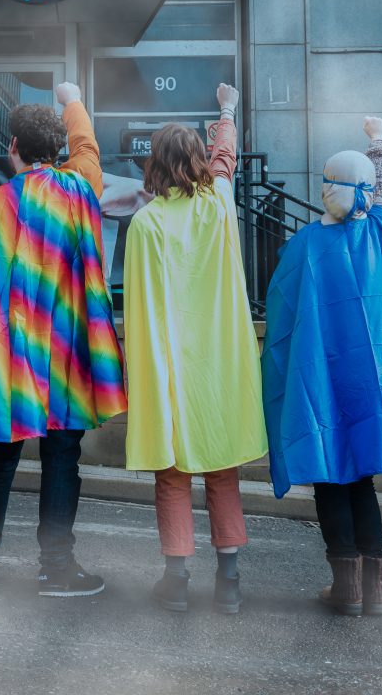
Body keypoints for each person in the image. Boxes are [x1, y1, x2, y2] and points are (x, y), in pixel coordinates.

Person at [0, 82, 126, 597]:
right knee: (63, 455)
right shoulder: (80, 188)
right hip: (65, 352)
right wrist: (72, 100)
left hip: (6, 355)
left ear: (12, 147)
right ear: (57, 150)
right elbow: (86, 148)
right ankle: (57, 568)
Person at [260, 116, 382, 617]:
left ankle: (347, 585)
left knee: (330, 474)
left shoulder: (306, 245)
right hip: (373, 378)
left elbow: (284, 318)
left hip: (321, 378)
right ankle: (373, 588)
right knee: (362, 478)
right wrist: (379, 141)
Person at [122, 85, 266, 615]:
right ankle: (228, 582)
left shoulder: (145, 224)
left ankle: (177, 580)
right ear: (199, 163)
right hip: (220, 364)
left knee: (174, 474)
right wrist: (226, 110)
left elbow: (138, 307)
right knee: (222, 469)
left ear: (154, 165)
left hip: (171, 366)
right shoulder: (220, 208)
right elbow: (225, 161)